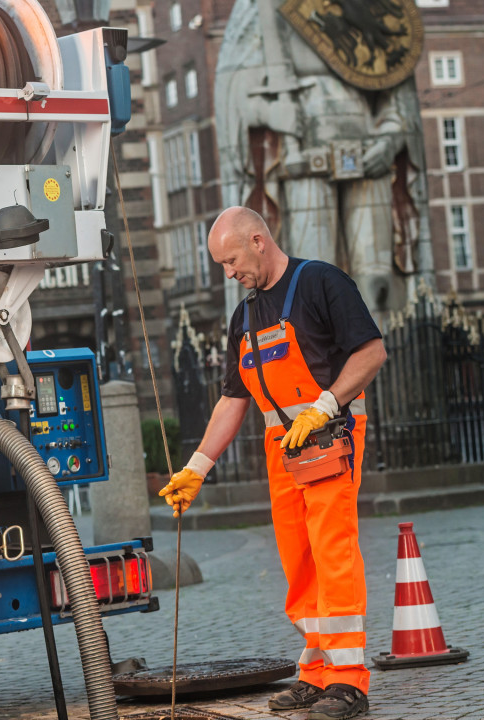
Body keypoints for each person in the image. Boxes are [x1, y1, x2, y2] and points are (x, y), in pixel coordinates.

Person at [160, 207, 387, 720]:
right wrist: (197, 466)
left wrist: (325, 406)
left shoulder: (322, 282)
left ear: (259, 241)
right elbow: (233, 399)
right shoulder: (243, 316)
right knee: (298, 562)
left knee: (332, 551)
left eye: (232, 259)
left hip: (331, 436)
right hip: (282, 448)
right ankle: (317, 671)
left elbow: (371, 353)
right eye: (221, 264)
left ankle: (349, 681)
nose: (229, 272)